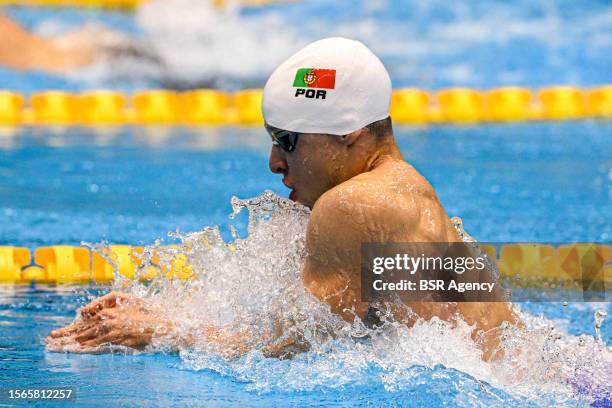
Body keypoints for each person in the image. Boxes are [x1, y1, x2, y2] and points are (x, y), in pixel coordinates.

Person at [47, 37, 518, 361]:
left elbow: (289, 345)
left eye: (288, 140)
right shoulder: (408, 194)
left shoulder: (354, 206)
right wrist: (167, 312)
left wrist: (157, 333)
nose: (274, 162)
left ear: (349, 132)